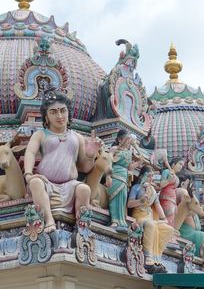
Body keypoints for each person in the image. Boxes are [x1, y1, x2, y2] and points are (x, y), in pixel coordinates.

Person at [23, 91, 101, 232]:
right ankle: (48, 220)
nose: (59, 116)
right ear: (46, 117)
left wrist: (91, 154)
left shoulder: (77, 137)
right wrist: (28, 174)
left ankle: (81, 227)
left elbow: (85, 168)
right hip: (46, 183)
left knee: (84, 189)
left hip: (70, 185)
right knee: (35, 182)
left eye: (63, 111)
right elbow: (30, 152)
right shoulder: (40, 135)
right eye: (53, 112)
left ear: (68, 113)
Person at [128, 166, 174, 273]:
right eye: (149, 176)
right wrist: (140, 201)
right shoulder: (136, 188)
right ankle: (148, 256)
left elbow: (158, 206)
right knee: (150, 225)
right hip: (139, 217)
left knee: (169, 230)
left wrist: (164, 219)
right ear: (143, 176)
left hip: (150, 217)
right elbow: (129, 204)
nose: (151, 178)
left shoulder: (152, 190)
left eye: (152, 176)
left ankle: (156, 258)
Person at [175, 170, 204, 271]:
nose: (194, 187)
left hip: (191, 231)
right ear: (184, 183)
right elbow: (187, 209)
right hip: (185, 232)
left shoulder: (183, 192)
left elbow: (193, 209)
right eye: (191, 184)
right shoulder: (182, 191)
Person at [107, 130, 139, 229]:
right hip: (115, 175)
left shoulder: (129, 152)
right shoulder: (114, 149)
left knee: (123, 198)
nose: (129, 141)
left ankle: (121, 221)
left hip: (124, 177)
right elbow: (108, 160)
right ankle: (114, 221)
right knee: (115, 198)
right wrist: (108, 175)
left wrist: (139, 162)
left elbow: (129, 167)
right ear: (119, 139)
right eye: (127, 139)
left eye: (130, 140)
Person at [157, 154, 184, 227]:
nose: (181, 166)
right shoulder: (166, 172)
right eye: (180, 164)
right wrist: (168, 180)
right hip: (166, 199)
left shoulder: (174, 175)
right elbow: (161, 185)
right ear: (173, 164)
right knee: (167, 220)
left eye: (182, 165)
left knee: (172, 220)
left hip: (173, 200)